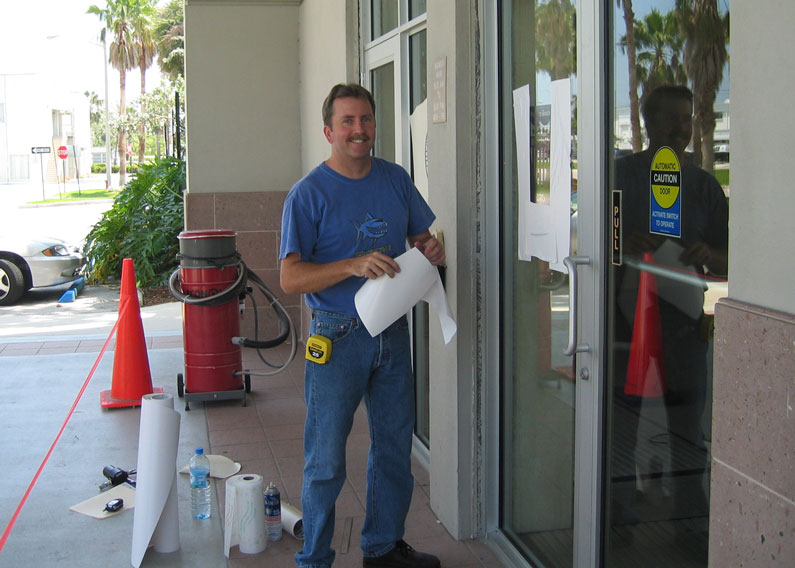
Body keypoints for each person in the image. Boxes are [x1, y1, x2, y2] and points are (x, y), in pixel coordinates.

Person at [279, 83, 445, 568]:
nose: (359, 130)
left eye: (366, 120)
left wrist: (431, 249)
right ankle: (315, 559)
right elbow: (290, 277)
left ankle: (384, 547)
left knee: (395, 448)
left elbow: (423, 239)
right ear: (329, 130)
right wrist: (351, 265)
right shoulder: (307, 194)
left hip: (391, 330)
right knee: (326, 458)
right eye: (348, 121)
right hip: (335, 335)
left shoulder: (395, 180)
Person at [610, 85, 729, 549]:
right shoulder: (619, 178)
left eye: (688, 118)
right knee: (622, 421)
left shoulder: (703, 186)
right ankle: (616, 516)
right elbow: (591, 246)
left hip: (683, 327)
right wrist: (621, 245)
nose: (682, 128)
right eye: (673, 119)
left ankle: (690, 522)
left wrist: (709, 253)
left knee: (687, 427)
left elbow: (729, 259)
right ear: (650, 123)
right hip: (625, 325)